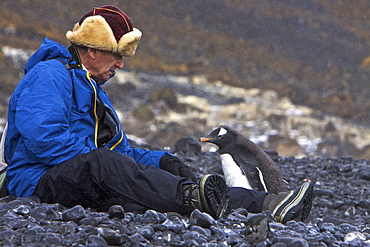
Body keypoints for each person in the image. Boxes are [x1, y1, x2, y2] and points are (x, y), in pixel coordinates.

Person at [3, 5, 313, 223]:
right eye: (117, 55)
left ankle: (268, 204)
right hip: (38, 182)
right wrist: (110, 162)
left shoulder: (94, 90)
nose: (121, 65)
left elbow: (119, 152)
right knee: (107, 166)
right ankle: (194, 198)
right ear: (92, 48)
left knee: (167, 177)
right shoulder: (48, 76)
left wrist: (161, 161)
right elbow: (45, 141)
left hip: (88, 177)